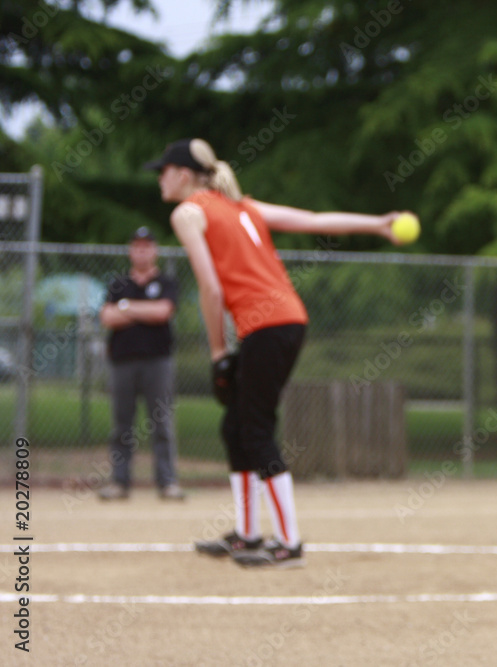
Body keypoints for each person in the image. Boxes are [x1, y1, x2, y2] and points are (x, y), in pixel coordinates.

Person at [144, 138, 407, 568]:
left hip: (267, 327)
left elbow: (210, 288)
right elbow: (316, 219)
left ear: (185, 174)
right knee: (236, 427)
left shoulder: (188, 213)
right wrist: (378, 223)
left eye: (164, 169)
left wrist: (216, 353)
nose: (160, 177)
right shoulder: (242, 206)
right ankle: (248, 535)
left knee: (255, 428)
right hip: (282, 322)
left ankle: (289, 543)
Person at [98, 226, 184, 501]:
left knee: (161, 422)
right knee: (122, 424)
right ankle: (119, 482)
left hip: (157, 362)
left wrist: (126, 308)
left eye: (147, 246)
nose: (142, 250)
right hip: (123, 362)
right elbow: (107, 317)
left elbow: (162, 312)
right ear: (130, 250)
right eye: (137, 246)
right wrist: (140, 309)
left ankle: (167, 482)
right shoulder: (118, 284)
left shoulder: (167, 282)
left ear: (155, 250)